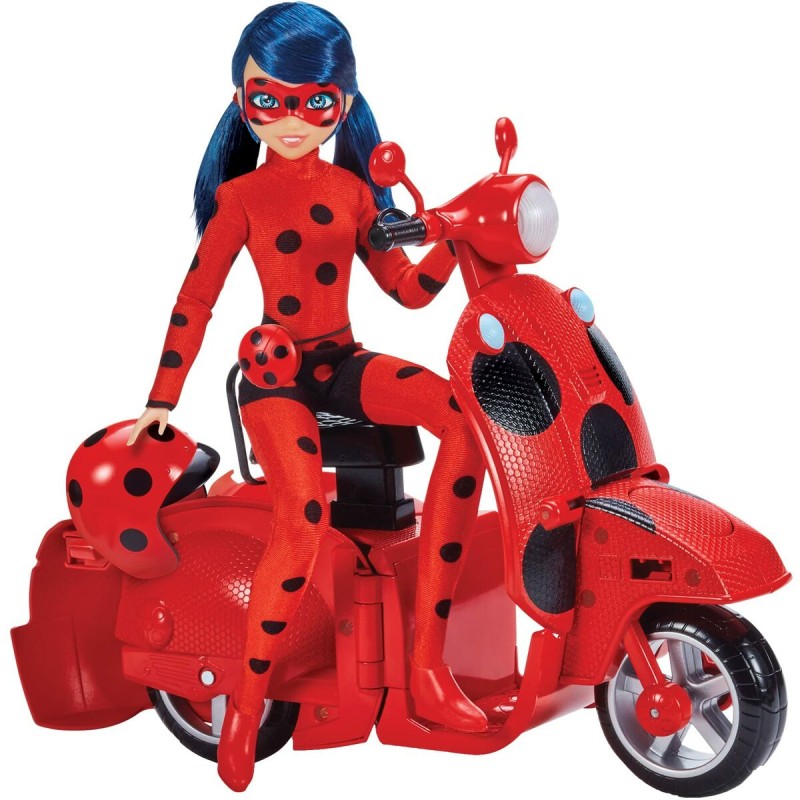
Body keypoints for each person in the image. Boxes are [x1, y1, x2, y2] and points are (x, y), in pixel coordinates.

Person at [127, 3, 486, 790]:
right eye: (270, 100)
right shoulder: (241, 199)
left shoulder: (355, 193)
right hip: (275, 375)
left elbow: (409, 292)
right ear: (241, 100)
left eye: (314, 101)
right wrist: (162, 397)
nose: (291, 119)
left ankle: (427, 664)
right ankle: (247, 703)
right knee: (303, 516)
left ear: (344, 103)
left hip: (341, 359)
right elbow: (196, 299)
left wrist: (455, 239)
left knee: (465, 419)